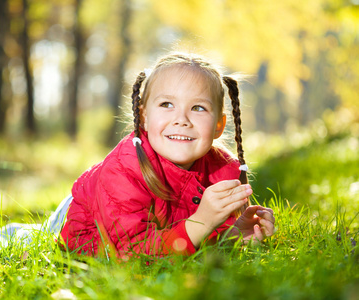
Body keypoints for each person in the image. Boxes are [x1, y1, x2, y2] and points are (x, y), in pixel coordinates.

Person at [59, 52, 275, 258]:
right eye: (166, 104)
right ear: (143, 116)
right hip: (82, 217)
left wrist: (233, 235)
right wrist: (201, 221)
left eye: (198, 108)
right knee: (31, 234)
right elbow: (130, 254)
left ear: (219, 125)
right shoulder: (123, 168)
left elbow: (201, 244)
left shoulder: (222, 170)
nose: (181, 119)